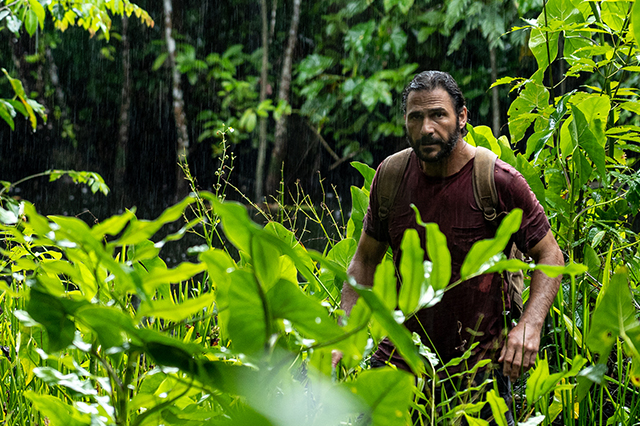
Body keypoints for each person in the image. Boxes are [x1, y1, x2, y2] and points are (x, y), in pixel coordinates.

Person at [332, 71, 564, 424]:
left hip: (480, 366)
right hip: (402, 359)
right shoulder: (391, 176)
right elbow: (364, 260)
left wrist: (529, 325)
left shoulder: (497, 181)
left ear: (463, 117)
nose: (427, 128)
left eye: (438, 115)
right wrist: (342, 331)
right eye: (416, 117)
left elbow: (550, 255)